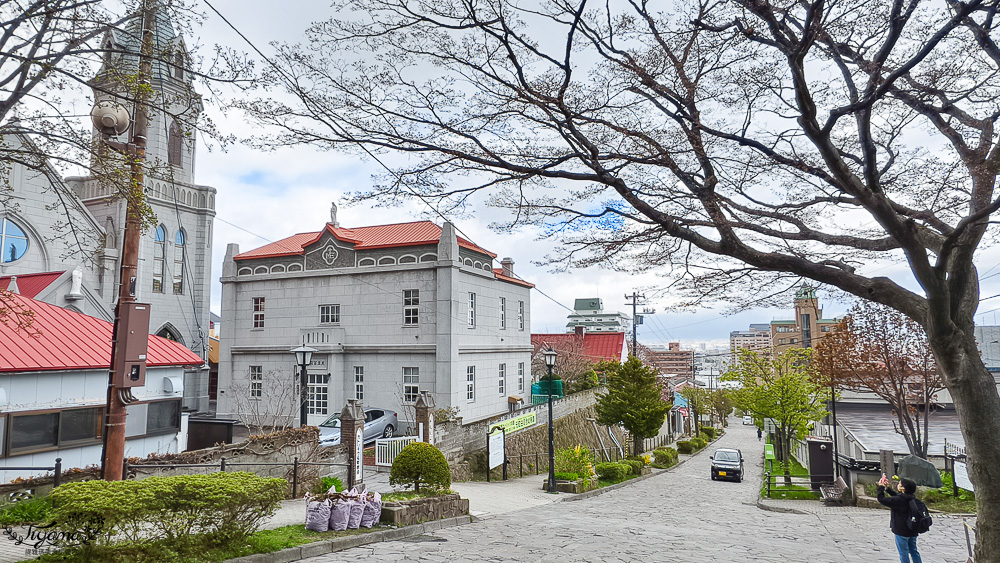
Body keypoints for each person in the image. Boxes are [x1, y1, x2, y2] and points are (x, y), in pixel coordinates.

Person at [877, 474, 922, 563]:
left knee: (903, 552)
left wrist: (881, 487)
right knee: (913, 550)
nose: (898, 484)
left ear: (903, 488)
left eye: (899, 484)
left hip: (901, 530)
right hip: (912, 529)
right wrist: (888, 489)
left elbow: (882, 499)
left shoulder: (898, 500)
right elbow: (898, 496)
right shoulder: (912, 498)